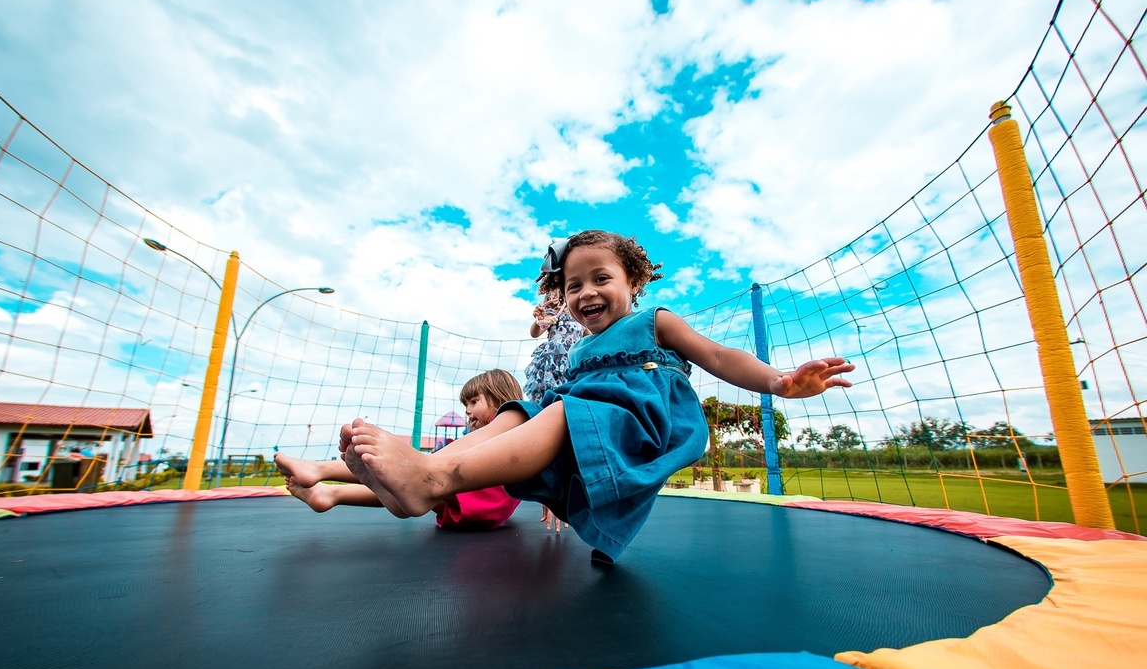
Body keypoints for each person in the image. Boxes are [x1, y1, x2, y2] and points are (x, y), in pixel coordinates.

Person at [342, 230, 854, 563]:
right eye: (572, 285)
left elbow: (718, 357)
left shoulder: (654, 322)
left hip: (644, 420)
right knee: (516, 413)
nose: (585, 292)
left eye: (601, 279)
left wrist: (780, 382)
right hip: (589, 416)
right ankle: (422, 471)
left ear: (632, 282)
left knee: (562, 409)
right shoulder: (580, 347)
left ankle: (432, 479)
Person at [276, 369, 525, 531]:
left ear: (499, 397)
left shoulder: (512, 420)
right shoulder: (516, 439)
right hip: (481, 515)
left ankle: (321, 468)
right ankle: (332, 495)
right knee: (407, 487)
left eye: (473, 402)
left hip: (483, 500)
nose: (468, 411)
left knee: (419, 476)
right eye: (465, 405)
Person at [525, 289, 585, 533]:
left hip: (575, 365)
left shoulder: (580, 308)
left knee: (569, 427)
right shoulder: (553, 305)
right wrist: (541, 317)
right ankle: (549, 492)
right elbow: (535, 331)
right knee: (548, 425)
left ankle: (565, 491)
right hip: (551, 368)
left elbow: (588, 333)